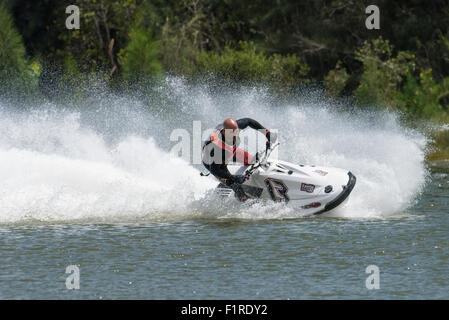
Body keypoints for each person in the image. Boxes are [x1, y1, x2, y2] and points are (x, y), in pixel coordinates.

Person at [202, 118, 277, 201]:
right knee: (236, 185)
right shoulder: (216, 146)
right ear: (224, 132)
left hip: (229, 152)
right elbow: (215, 170)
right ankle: (242, 199)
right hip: (213, 162)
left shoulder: (234, 128)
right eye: (232, 135)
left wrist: (267, 133)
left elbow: (249, 121)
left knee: (252, 161)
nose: (234, 137)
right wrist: (234, 178)